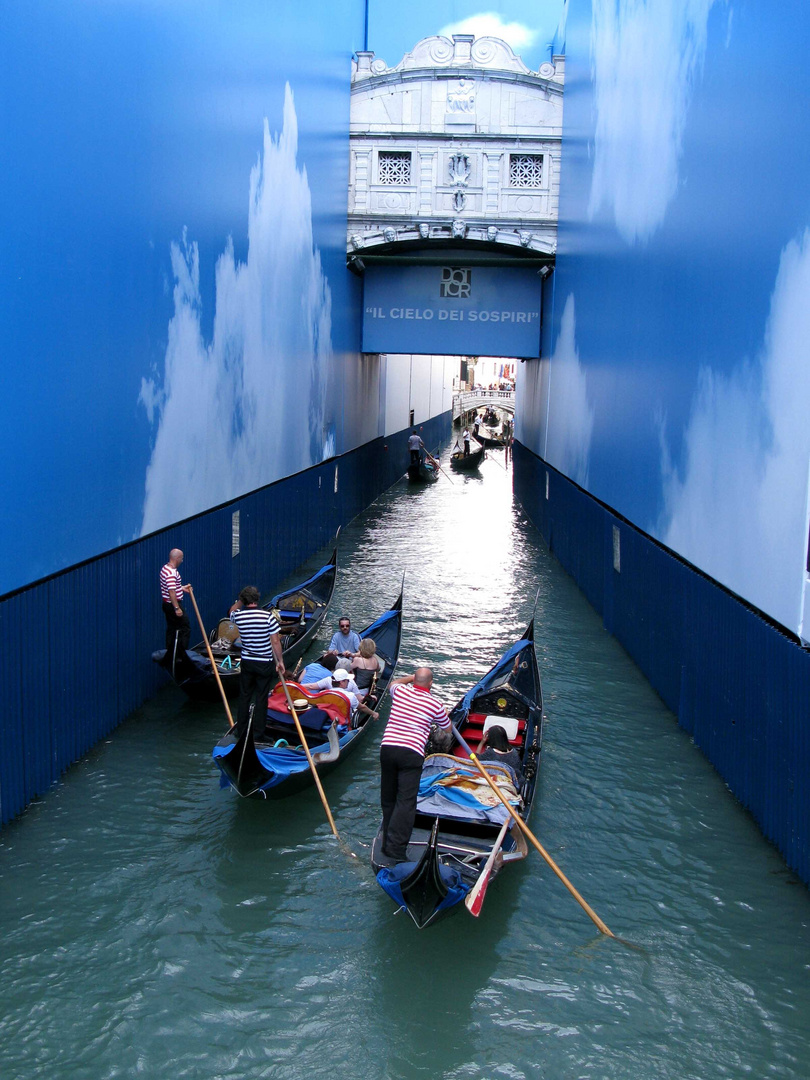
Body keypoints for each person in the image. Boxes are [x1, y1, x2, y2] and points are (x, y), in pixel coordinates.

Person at [379, 668, 450, 863]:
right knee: (406, 802)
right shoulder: (435, 704)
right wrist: (441, 714)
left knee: (388, 798)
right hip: (411, 754)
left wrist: (410, 677)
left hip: (388, 749)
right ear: (431, 684)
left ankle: (386, 843)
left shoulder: (400, 691)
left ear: (414, 680)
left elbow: (394, 683)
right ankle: (395, 849)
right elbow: (448, 728)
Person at [229, 586, 285, 739]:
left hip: (247, 661)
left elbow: (231, 611)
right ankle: (259, 734)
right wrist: (280, 661)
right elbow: (275, 641)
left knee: (244, 696)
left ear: (245, 600)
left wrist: (240, 600)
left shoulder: (238, 616)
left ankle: (241, 731)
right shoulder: (267, 617)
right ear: (257, 599)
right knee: (261, 698)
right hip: (264, 662)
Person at [302, 668, 379, 724]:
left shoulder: (323, 693)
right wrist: (374, 713)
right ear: (342, 682)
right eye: (347, 680)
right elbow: (362, 707)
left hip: (326, 720)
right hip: (343, 723)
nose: (349, 682)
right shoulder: (350, 696)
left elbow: (311, 688)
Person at [160, 549, 191, 657]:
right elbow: (171, 591)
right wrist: (177, 608)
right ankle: (181, 654)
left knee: (172, 628)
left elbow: (172, 587)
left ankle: (170, 651)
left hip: (167, 604)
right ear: (177, 558)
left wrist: (181, 588)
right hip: (173, 605)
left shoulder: (165, 568)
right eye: (181, 558)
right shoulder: (171, 573)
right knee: (185, 627)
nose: (182, 561)